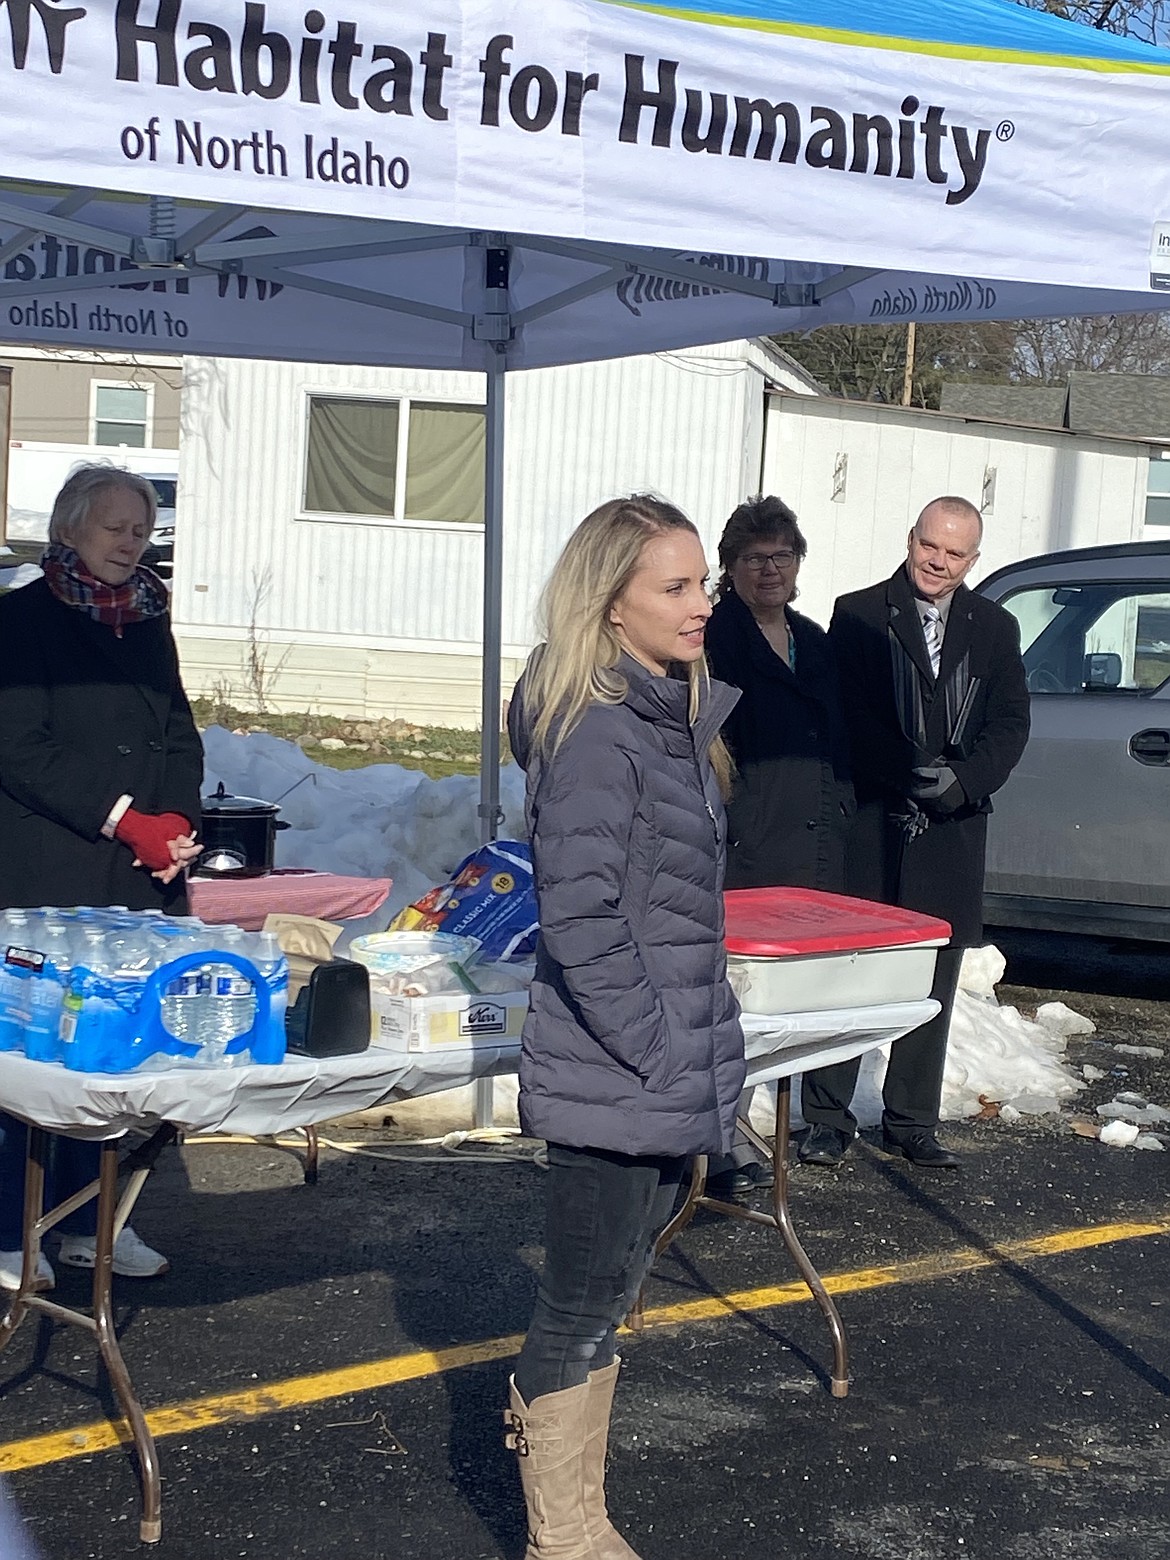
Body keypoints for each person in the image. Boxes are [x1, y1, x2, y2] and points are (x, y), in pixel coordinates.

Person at [506, 495, 745, 1559]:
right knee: (579, 1305)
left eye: (704, 584)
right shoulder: (603, 731)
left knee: (606, 1302)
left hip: (653, 1072)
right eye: (677, 587)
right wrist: (658, 1048)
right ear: (610, 607)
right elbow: (584, 915)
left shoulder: (666, 718)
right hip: (617, 1073)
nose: (704, 605)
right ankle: (563, 1537)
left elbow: (676, 915)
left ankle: (583, 1517)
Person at [0, 463, 203, 1289]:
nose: (132, 543)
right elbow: (19, 748)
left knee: (114, 1057)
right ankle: (14, 1233)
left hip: (137, 878)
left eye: (143, 529)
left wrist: (181, 820)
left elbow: (179, 728)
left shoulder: (148, 616)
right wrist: (126, 817)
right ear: (70, 529)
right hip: (51, 867)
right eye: (117, 528)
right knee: (38, 1057)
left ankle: (92, 1224)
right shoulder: (20, 619)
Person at [799, 496, 1029, 1169]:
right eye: (931, 546)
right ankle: (825, 1118)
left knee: (934, 978)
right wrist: (905, 769)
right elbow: (851, 713)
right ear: (911, 540)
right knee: (853, 974)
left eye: (955, 553)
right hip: (873, 821)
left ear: (973, 560)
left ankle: (911, 1122)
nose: (939, 561)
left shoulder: (995, 627)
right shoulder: (859, 614)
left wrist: (964, 781)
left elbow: (1010, 723)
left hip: (952, 829)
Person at [704, 495, 854, 1195]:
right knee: (733, 1005)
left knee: (792, 1005)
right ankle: (718, 1146)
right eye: (754, 558)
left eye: (782, 557)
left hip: (816, 848)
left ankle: (785, 1125)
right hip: (749, 846)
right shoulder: (713, 640)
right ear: (730, 566)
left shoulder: (814, 640)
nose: (770, 570)